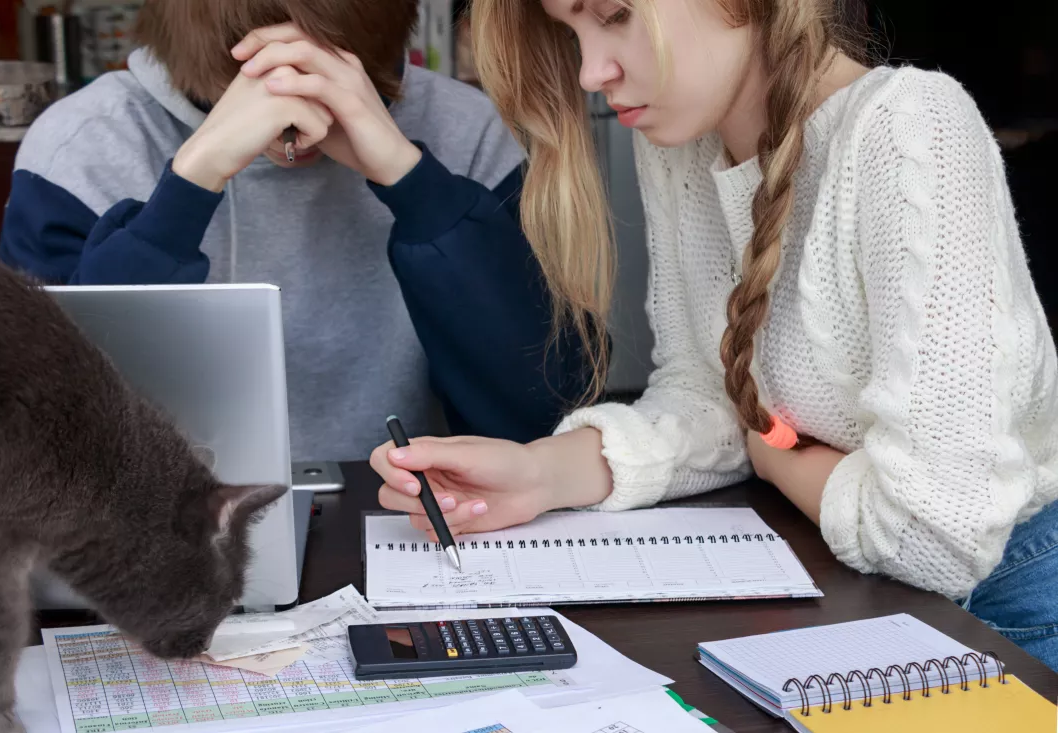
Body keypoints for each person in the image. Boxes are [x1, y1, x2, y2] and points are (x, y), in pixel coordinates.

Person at [373, 0, 1058, 669]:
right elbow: (707, 392)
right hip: (866, 585)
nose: (590, 73)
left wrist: (775, 458)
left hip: (1013, 603)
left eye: (614, 17)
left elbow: (937, 532)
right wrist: (538, 475)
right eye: (570, 30)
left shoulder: (912, 130)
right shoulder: (682, 146)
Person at [0, 0, 589, 462]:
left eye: (326, 75)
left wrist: (413, 181)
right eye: (258, 79)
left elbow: (545, 413)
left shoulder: (470, 133)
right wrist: (191, 181)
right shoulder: (83, 146)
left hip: (413, 515)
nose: (296, 119)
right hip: (160, 529)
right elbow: (40, 431)